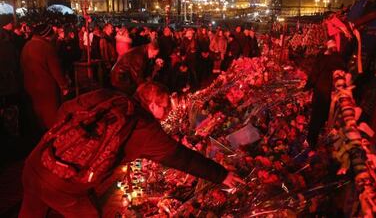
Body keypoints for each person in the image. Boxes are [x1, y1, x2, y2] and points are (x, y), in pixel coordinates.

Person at [19, 81, 243, 218]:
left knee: (30, 212)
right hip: (63, 184)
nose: (167, 113)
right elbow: (183, 159)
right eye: (165, 107)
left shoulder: (109, 95)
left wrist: (66, 147)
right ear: (153, 105)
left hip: (37, 161)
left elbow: (65, 108)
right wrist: (221, 174)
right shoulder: (144, 128)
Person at [20, 23, 69, 130]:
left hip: (30, 87)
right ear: (47, 35)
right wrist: (64, 86)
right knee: (51, 118)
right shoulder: (46, 47)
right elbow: (56, 70)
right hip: (47, 89)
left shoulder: (26, 46)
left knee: (37, 115)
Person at [305, 39, 346, 149]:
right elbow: (342, 64)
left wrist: (308, 87)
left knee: (316, 118)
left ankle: (311, 141)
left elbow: (314, 74)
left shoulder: (321, 58)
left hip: (319, 93)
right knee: (320, 119)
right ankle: (314, 143)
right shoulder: (332, 59)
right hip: (325, 94)